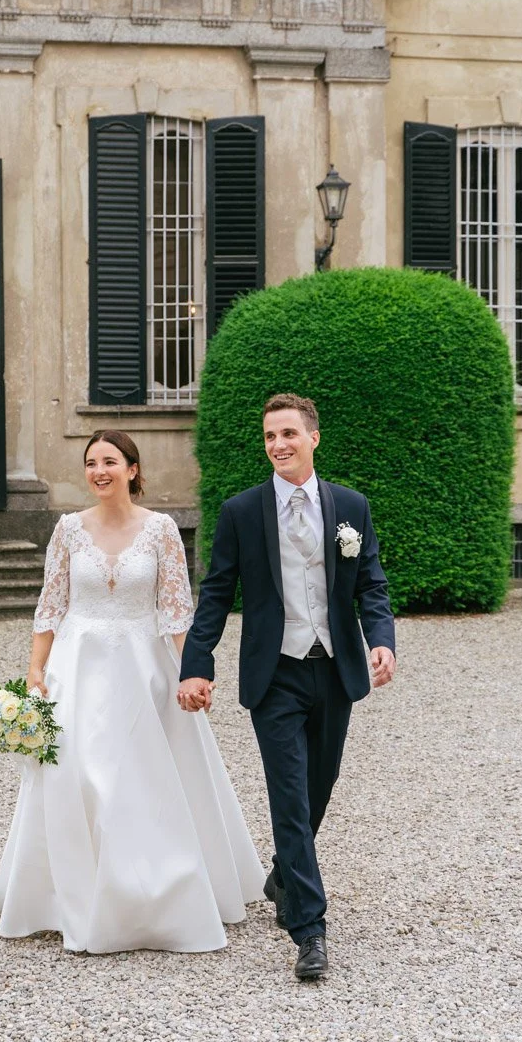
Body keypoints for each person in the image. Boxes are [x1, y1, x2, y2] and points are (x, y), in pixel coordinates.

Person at [0, 429, 265, 953]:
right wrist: (35, 669)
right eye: (91, 463)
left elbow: (176, 611)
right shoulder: (68, 529)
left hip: (147, 668)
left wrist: (194, 671)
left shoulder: (162, 529)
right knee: (81, 775)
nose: (99, 471)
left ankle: (153, 894)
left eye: (110, 461)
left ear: (132, 469)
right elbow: (51, 604)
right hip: (78, 666)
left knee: (146, 777)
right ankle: (72, 894)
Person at [178, 394, 396, 981]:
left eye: (289, 434)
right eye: (271, 436)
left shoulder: (351, 506)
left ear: (313, 438)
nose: (278, 444)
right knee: (290, 798)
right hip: (274, 673)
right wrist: (197, 665)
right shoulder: (241, 512)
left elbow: (371, 582)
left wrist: (381, 639)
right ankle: (309, 929)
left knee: (320, 785)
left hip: (335, 667)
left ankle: (283, 876)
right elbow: (216, 593)